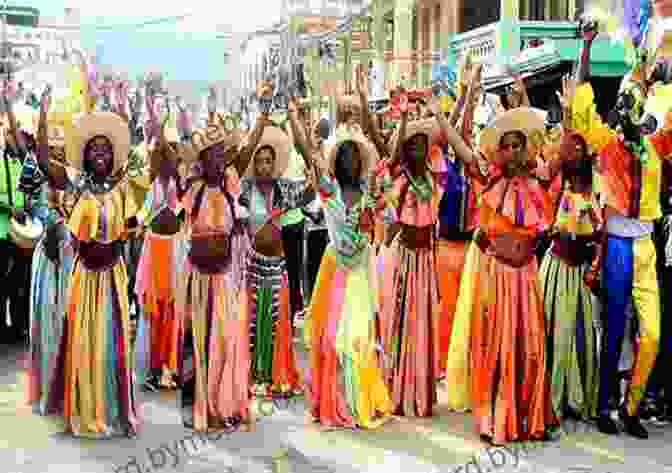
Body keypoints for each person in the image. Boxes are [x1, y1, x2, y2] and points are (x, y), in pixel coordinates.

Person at [561, 22, 671, 438]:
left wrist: (659, 72)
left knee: (653, 334)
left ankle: (632, 406)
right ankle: (606, 404)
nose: (633, 106)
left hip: (646, 245)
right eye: (626, 99)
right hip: (618, 244)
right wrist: (585, 46)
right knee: (614, 326)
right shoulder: (605, 142)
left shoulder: (658, 145)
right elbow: (580, 100)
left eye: (638, 102)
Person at [439, 98, 561, 443]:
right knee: (498, 345)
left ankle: (530, 417)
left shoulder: (538, 181)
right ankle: (496, 418)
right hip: (499, 275)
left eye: (516, 146)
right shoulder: (489, 181)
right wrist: (439, 116)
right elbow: (462, 150)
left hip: (526, 277)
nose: (510, 152)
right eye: (505, 147)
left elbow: (565, 151)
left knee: (530, 346)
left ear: (524, 149)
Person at [36, 82, 143, 437]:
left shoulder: (122, 188)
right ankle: (84, 406)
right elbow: (40, 160)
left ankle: (113, 409)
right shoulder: (74, 184)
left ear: (113, 156)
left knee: (111, 343)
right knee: (83, 343)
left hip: (112, 277)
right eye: (94, 149)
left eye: (106, 149)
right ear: (84, 155)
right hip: (84, 277)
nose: (100, 154)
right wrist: (42, 113)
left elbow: (131, 225)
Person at [175, 81, 271, 432]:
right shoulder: (195, 190)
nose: (216, 160)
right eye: (209, 155)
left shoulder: (231, 184)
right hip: (199, 279)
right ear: (201, 161)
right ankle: (200, 406)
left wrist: (262, 114)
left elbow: (245, 153)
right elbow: (174, 159)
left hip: (226, 278)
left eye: (220, 154)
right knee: (198, 343)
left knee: (226, 341)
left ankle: (225, 404)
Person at [297, 95, 393, 429]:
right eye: (345, 155)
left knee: (357, 336)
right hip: (335, 267)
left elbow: (387, 162)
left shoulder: (369, 191)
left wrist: (365, 112)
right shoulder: (328, 190)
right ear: (337, 161)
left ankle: (357, 401)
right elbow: (308, 154)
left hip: (361, 271)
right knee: (329, 338)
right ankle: (331, 399)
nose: (351, 161)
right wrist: (298, 121)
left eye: (356, 155)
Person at [238, 119, 309, 400]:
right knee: (254, 321)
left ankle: (275, 375)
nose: (264, 166)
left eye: (269, 161)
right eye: (260, 162)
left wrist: (313, 166)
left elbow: (308, 197)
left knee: (278, 321)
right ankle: (254, 375)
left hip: (278, 263)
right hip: (253, 264)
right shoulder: (245, 189)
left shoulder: (284, 188)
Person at [539, 125, 603, 421]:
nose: (574, 152)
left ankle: (575, 401)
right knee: (556, 334)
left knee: (580, 334)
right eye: (570, 147)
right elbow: (543, 219)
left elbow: (602, 231)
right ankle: (552, 399)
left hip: (582, 273)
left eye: (580, 147)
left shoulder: (598, 186)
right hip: (557, 266)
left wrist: (595, 265)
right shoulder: (557, 182)